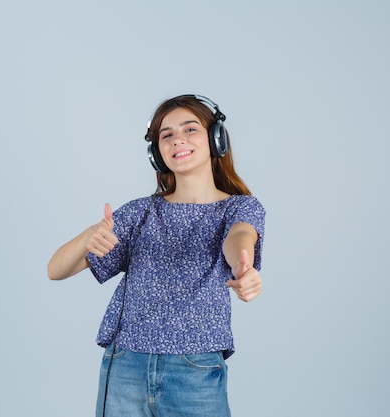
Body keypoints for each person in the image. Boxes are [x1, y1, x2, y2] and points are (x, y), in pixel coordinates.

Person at [47, 94, 265, 417]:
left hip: (195, 370)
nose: (178, 139)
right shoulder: (140, 213)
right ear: (157, 153)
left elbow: (239, 237)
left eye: (190, 129)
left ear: (216, 139)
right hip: (125, 366)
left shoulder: (239, 208)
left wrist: (242, 265)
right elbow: (55, 269)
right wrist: (90, 238)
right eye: (167, 135)